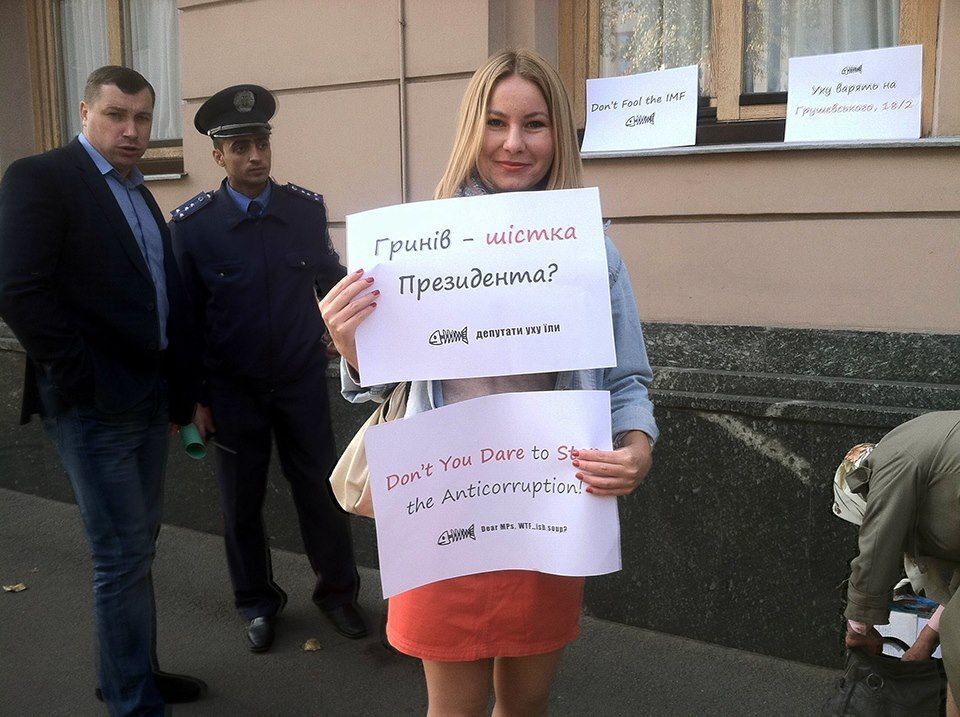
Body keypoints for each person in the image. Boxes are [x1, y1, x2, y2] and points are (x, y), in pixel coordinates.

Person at [320, 49, 658, 715]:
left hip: (546, 507)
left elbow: (626, 379)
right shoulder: (417, 245)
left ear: (558, 134)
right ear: (471, 129)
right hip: (445, 503)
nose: (513, 143)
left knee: (526, 705)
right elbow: (375, 386)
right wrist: (352, 346)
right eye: (496, 122)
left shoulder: (592, 252)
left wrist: (638, 447)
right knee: (454, 709)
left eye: (534, 124)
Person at [0, 66, 204, 714]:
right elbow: (18, 289)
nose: (132, 130)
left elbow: (158, 294)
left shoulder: (140, 192)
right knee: (120, 555)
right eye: (117, 115)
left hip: (148, 398)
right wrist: (81, 377)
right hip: (93, 407)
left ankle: (134, 673)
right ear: (84, 112)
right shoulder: (41, 177)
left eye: (142, 118)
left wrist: (177, 392)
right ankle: (130, 700)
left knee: (138, 548)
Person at [169, 84, 366, 653]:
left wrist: (354, 319)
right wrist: (194, 399)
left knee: (321, 491)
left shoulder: (303, 211)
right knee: (241, 503)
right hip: (233, 390)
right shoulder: (193, 226)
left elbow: (331, 281)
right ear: (218, 155)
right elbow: (185, 318)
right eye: (241, 148)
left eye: (262, 144)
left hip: (300, 381)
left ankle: (338, 593)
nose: (255, 157)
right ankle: (256, 603)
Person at [843, 411, 960, 715]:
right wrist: (925, 643)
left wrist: (859, 625)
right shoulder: (924, 449)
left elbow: (877, 541)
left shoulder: (891, 461)